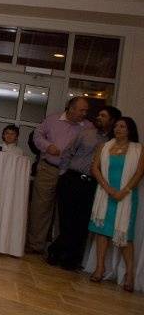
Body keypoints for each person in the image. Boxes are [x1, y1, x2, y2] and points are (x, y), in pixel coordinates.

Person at [47, 106, 121, 270]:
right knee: (66, 219)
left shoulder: (113, 143)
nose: (99, 117)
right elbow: (68, 152)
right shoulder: (86, 133)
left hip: (92, 184)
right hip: (72, 179)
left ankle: (71, 259)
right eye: (99, 114)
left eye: (103, 115)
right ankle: (56, 252)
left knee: (81, 222)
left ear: (112, 121)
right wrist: (63, 173)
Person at [26, 96, 92, 254]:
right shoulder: (52, 120)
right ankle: (35, 245)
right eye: (82, 110)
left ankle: (58, 249)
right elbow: (37, 135)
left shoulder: (88, 127)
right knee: (40, 208)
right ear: (71, 108)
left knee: (65, 211)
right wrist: (47, 146)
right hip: (48, 168)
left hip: (70, 174)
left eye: (86, 111)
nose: (84, 113)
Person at [88, 117, 143, 292]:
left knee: (125, 236)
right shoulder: (104, 147)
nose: (118, 129)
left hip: (126, 197)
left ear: (130, 130)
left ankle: (129, 274)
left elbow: (139, 172)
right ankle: (100, 268)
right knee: (102, 232)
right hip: (106, 194)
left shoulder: (138, 149)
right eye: (117, 126)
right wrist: (108, 189)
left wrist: (123, 191)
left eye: (123, 127)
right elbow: (95, 168)